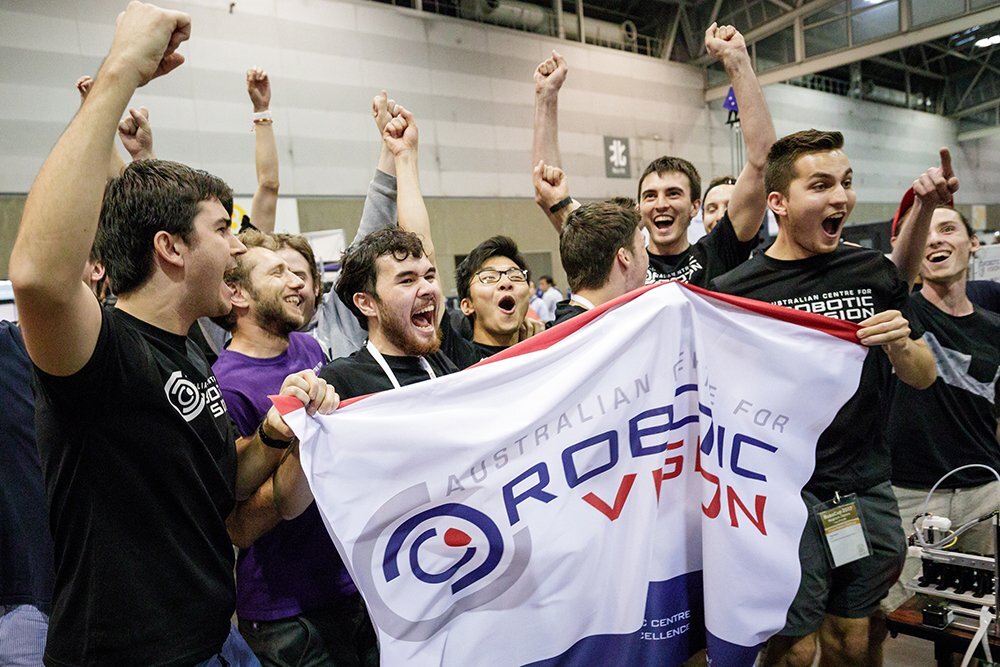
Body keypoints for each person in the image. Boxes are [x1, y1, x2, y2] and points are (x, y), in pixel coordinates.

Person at [8, 5, 336, 664]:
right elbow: (40, 278)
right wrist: (120, 72)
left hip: (217, 639)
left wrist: (277, 432)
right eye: (222, 231)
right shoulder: (103, 353)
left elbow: (225, 481)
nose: (240, 248)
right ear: (171, 249)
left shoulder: (187, 347)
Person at [709, 129, 936, 667]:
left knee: (853, 637)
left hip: (864, 488)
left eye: (846, 182)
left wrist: (901, 343)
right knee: (794, 647)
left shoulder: (872, 272)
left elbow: (923, 375)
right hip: (784, 496)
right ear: (779, 202)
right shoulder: (737, 293)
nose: (841, 198)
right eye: (821, 186)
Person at [211, 230, 376, 666]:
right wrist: (302, 451)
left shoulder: (309, 346)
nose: (298, 281)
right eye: (278, 272)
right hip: (286, 613)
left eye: (296, 272)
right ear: (239, 295)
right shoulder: (226, 383)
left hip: (350, 584)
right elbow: (238, 523)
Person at [531, 23, 775, 287]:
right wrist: (546, 97)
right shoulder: (618, 261)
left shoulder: (718, 252)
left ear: (695, 206)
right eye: (650, 195)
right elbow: (550, 191)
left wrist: (737, 60)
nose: (661, 204)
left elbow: (763, 161)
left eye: (673, 193)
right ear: (640, 208)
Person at [882, 205, 1000, 612]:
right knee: (890, 613)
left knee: (981, 620)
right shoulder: (898, 313)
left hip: (984, 494)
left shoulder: (994, 327)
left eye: (948, 229)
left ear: (973, 243)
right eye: (926, 233)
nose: (935, 239)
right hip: (907, 495)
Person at [550, 201, 648, 326]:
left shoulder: (565, 327)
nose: (647, 257)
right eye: (642, 246)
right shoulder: (594, 333)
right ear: (624, 258)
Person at [446, 235, 538, 369]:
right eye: (489, 278)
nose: (506, 282)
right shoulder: (455, 355)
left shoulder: (547, 352)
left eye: (516, 276)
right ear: (467, 305)